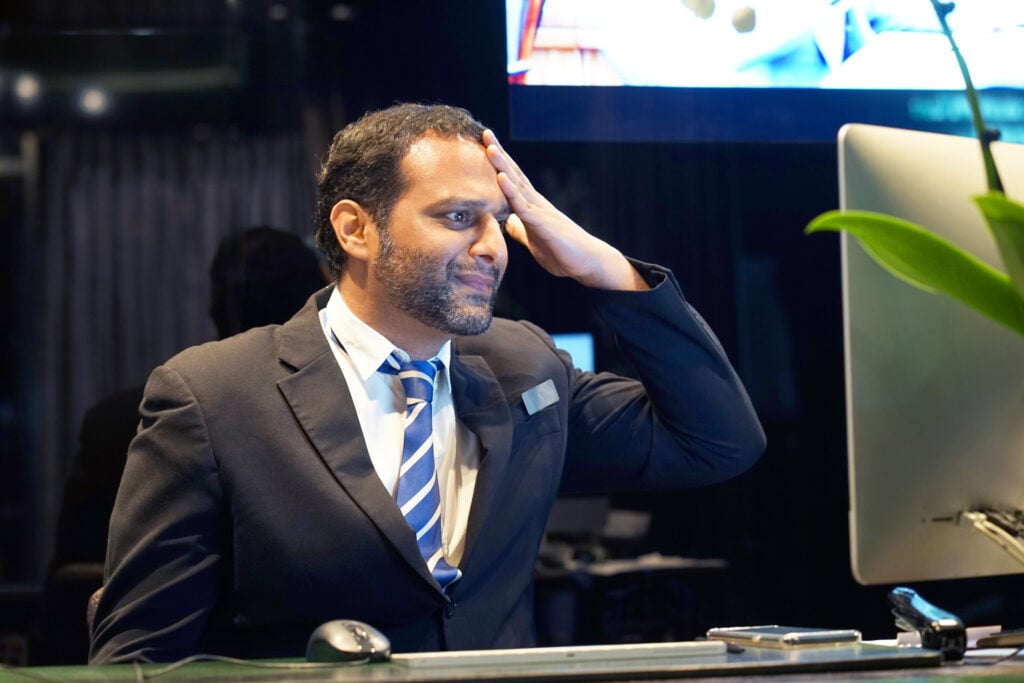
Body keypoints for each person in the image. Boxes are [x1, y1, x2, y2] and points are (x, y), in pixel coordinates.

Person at [88, 103, 765, 664]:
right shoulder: (213, 395)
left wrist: (607, 269)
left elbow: (717, 441)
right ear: (356, 228)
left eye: (499, 219)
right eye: (457, 217)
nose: (494, 246)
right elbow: (137, 661)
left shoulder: (527, 367)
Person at [30, 226, 326, 665]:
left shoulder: (120, 417)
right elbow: (77, 586)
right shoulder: (346, 417)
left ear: (213, 306)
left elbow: (66, 582)